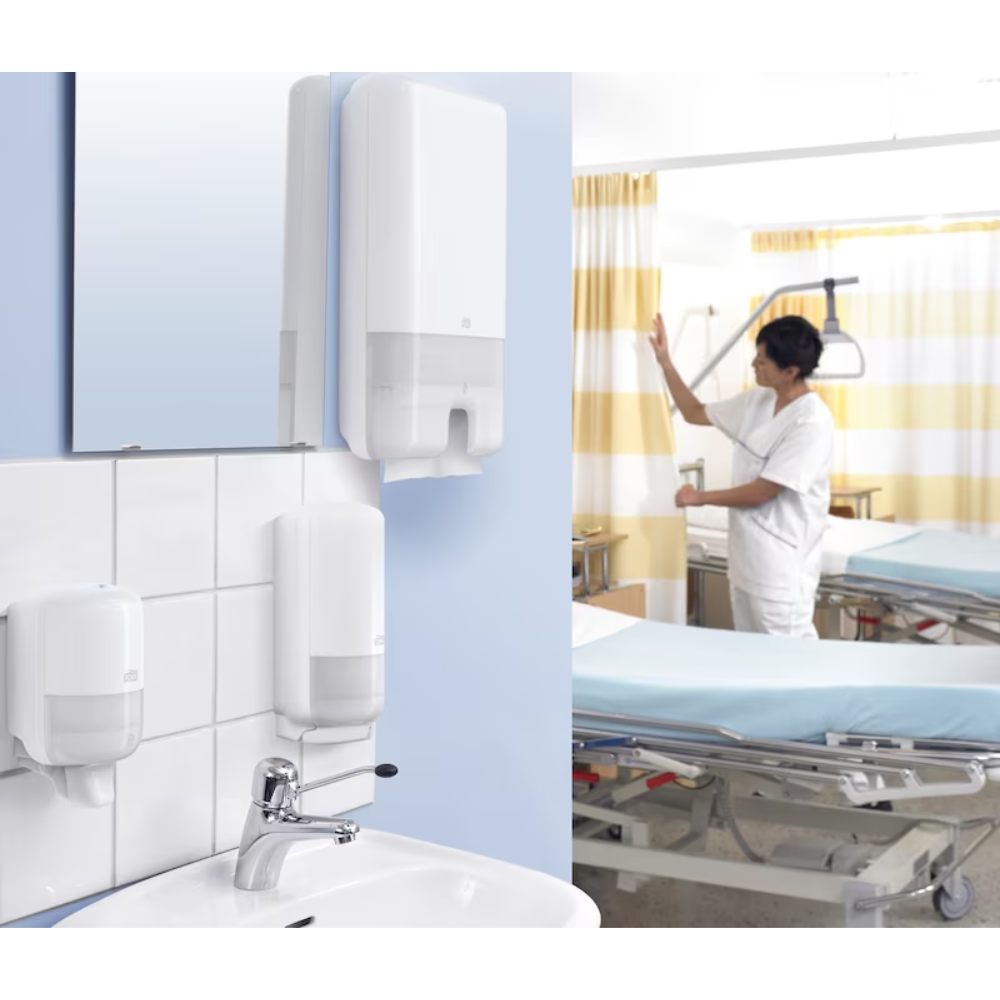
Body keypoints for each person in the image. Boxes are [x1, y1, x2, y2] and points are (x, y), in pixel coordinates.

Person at [650, 312, 834, 639]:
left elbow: (764, 491)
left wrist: (700, 498)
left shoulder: (812, 421)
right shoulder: (757, 401)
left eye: (762, 362)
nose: (754, 365)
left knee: (791, 664)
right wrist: (665, 362)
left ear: (790, 372)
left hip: (781, 568)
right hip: (746, 561)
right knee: (752, 659)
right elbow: (694, 412)